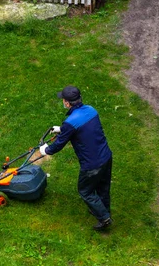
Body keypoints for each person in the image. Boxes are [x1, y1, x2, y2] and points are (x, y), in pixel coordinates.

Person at [39, 85, 113, 231]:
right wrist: (61, 129)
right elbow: (84, 128)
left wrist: (45, 150)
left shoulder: (71, 122)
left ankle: (104, 218)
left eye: (63, 100)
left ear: (67, 103)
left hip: (92, 164)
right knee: (103, 187)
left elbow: (58, 145)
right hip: (106, 156)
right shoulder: (91, 110)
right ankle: (103, 210)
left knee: (85, 191)